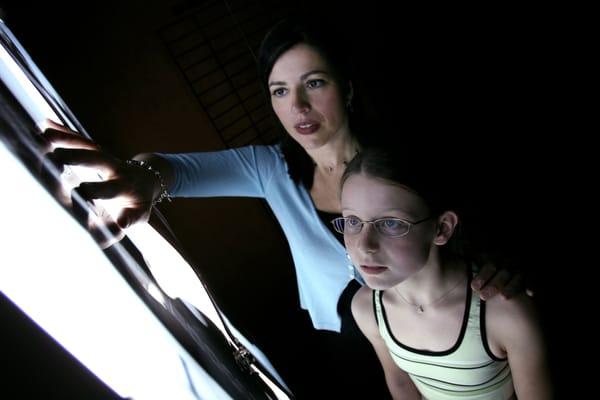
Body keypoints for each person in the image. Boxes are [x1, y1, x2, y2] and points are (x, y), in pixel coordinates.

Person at [43, 18, 527, 398]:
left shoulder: (404, 164)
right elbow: (173, 170)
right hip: (349, 349)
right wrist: (141, 178)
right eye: (279, 90)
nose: (297, 105)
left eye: (314, 83)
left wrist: (499, 275)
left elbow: (467, 242)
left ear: (348, 87)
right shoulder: (270, 169)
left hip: (442, 343)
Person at [340, 147, 552, 399]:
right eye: (353, 221)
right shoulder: (366, 309)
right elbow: (400, 384)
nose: (364, 245)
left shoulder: (504, 313)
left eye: (391, 223)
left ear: (441, 228)